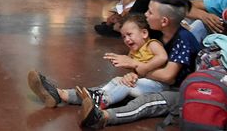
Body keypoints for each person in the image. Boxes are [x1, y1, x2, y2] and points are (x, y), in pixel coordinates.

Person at [65, 0, 201, 128]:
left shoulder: (183, 40)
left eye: (150, 12)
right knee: (119, 83)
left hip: (178, 91)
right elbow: (145, 64)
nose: (146, 14)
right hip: (155, 81)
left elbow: (168, 77)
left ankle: (102, 116)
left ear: (164, 21)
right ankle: (64, 95)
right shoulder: (158, 32)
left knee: (145, 102)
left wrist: (136, 66)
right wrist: (134, 73)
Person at [32, 14, 169, 112]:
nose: (126, 39)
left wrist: (142, 68)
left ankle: (103, 101)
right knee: (118, 80)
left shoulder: (152, 44)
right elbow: (134, 71)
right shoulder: (133, 52)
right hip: (142, 84)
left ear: (144, 33)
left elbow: (162, 57)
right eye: (123, 37)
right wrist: (132, 74)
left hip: (157, 86)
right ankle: (97, 95)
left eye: (130, 34)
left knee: (125, 85)